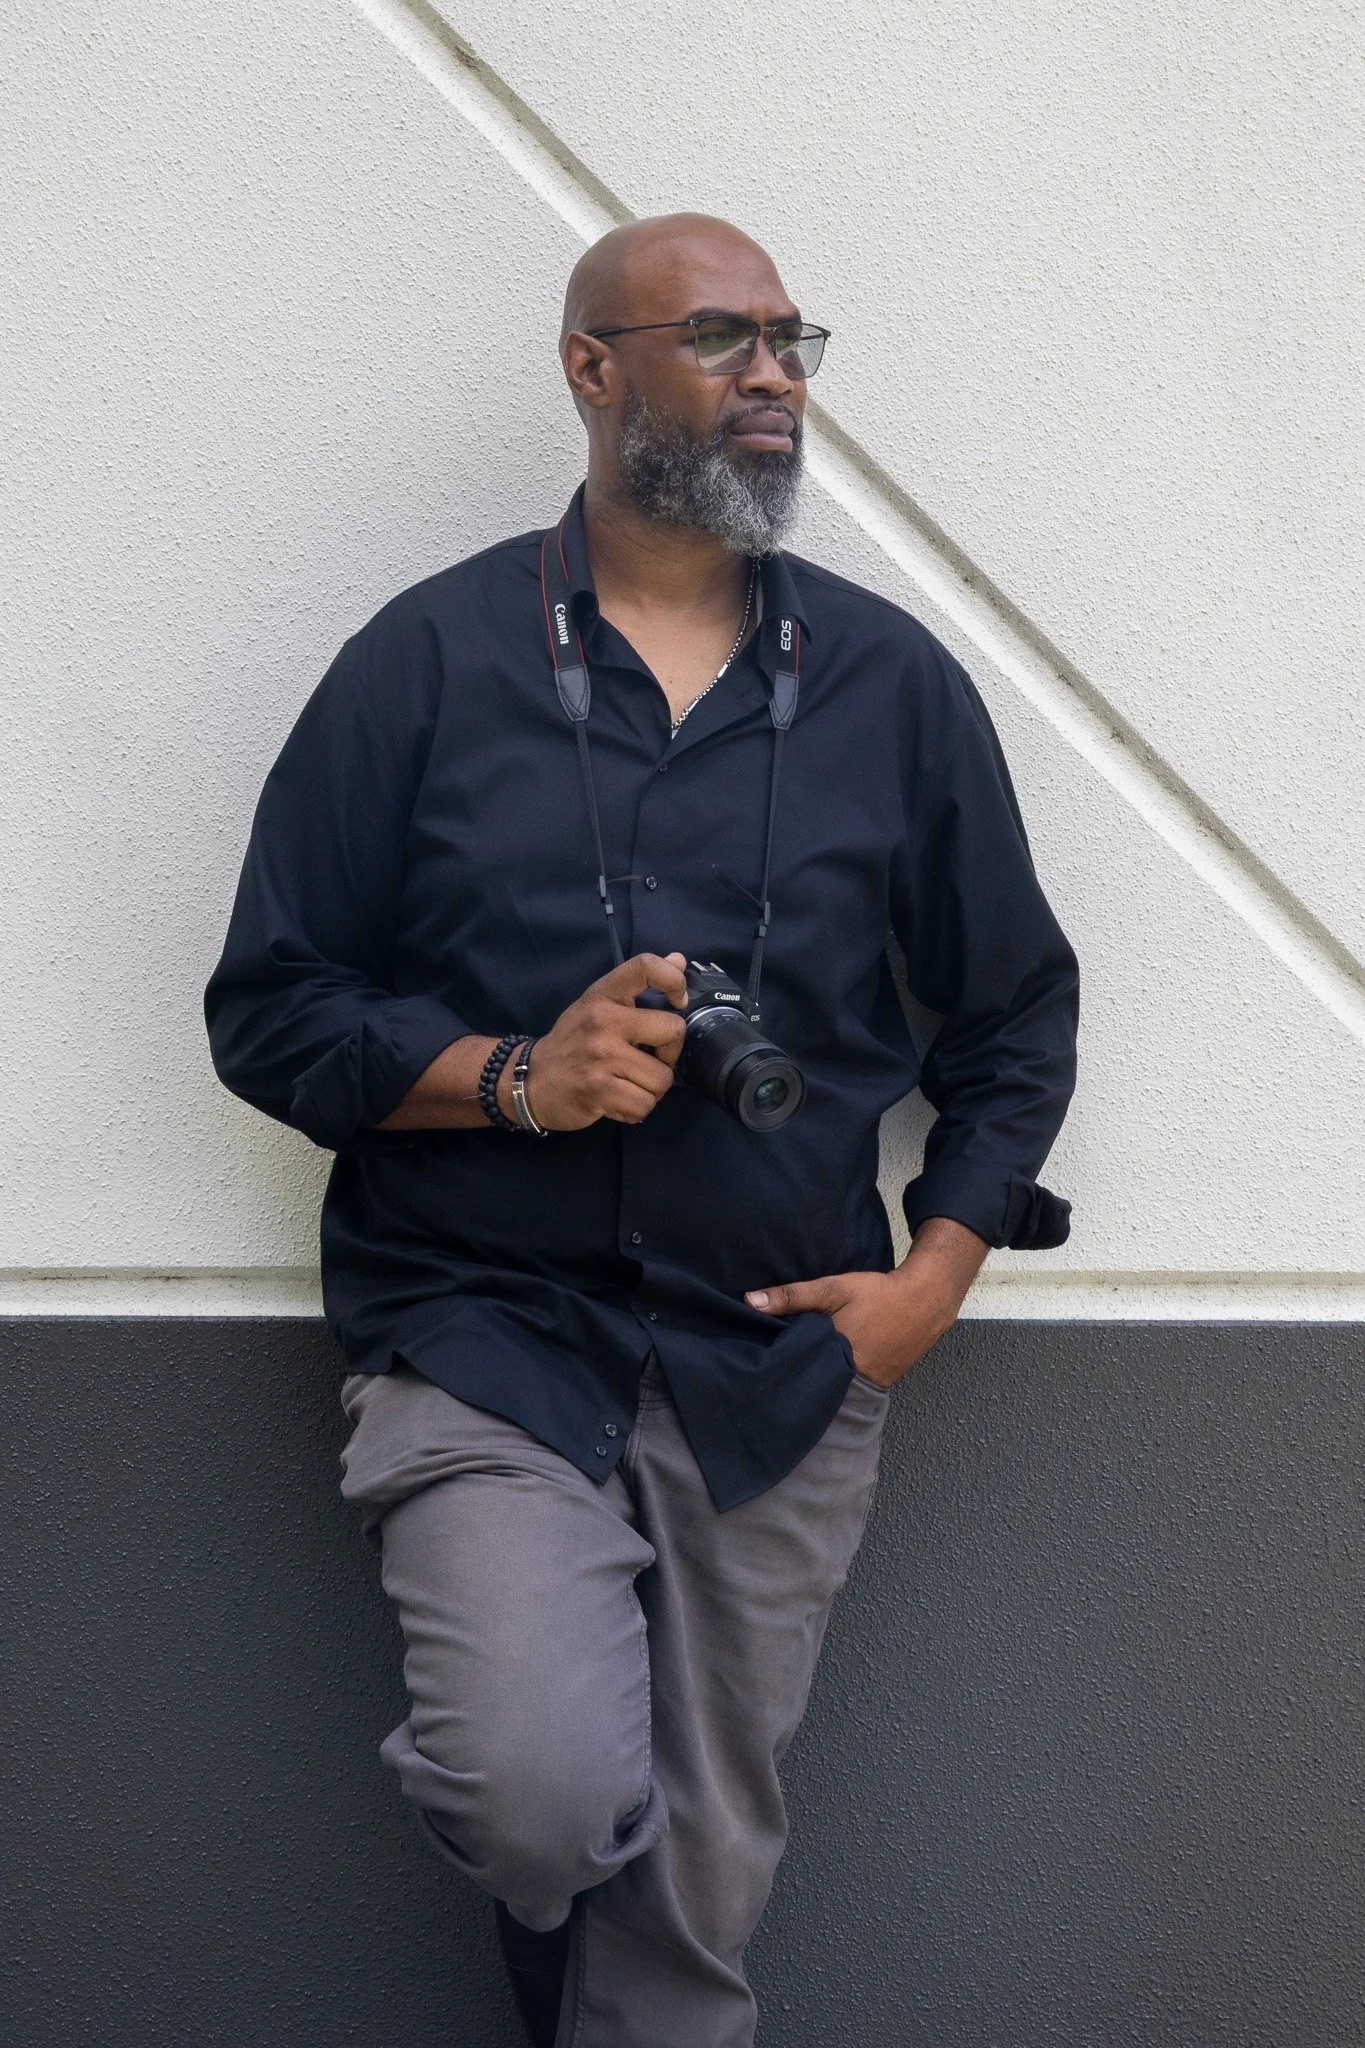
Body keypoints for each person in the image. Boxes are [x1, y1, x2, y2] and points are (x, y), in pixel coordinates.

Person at [205, 212, 1079, 2048]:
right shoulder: (427, 663)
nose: (772, 373)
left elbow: (1011, 1019)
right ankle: (555, 1932)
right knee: (533, 1790)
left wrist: (932, 1279)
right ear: (593, 372)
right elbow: (271, 1008)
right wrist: (517, 1076)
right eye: (717, 335)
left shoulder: (893, 688)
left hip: (776, 1365)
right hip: (482, 1329)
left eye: (790, 339)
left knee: (695, 1911)